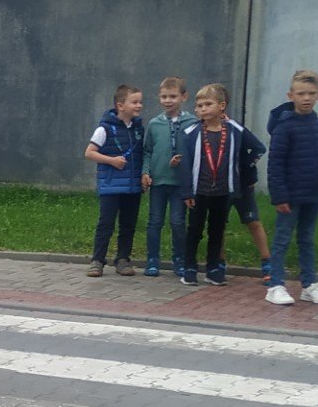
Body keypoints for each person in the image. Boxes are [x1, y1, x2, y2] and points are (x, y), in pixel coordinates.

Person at [264, 69, 318, 306]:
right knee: (282, 239)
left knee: (307, 238)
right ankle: (275, 285)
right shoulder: (284, 127)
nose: (306, 98)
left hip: (313, 194)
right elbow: (275, 163)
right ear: (291, 95)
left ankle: (308, 284)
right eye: (300, 94)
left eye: (311, 93)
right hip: (290, 196)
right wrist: (279, 196)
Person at [177, 84, 264, 286]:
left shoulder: (234, 130)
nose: (202, 109)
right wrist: (187, 192)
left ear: (222, 106)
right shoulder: (190, 132)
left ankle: (213, 268)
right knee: (195, 229)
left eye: (208, 104)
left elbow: (258, 148)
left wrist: (244, 166)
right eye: (199, 105)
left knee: (217, 229)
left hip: (223, 191)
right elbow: (185, 165)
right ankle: (189, 267)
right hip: (199, 191)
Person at [83, 84, 145, 277]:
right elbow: (89, 153)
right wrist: (112, 161)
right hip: (111, 185)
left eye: (140, 102)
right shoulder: (105, 128)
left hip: (132, 186)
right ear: (120, 105)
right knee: (106, 223)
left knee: (128, 224)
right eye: (134, 102)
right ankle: (97, 260)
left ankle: (123, 258)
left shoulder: (138, 128)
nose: (139, 106)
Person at [141, 76, 194, 277]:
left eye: (173, 96)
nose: (168, 100)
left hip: (180, 184)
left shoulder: (192, 122)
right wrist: (145, 172)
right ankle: (152, 259)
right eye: (164, 96)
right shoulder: (155, 123)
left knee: (178, 222)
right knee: (155, 221)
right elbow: (147, 150)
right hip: (158, 182)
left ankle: (179, 259)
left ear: (183, 97)